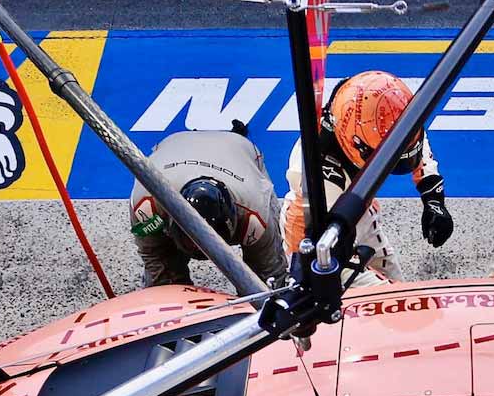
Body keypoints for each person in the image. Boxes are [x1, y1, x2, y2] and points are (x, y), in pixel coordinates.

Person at [281, 71, 453, 280]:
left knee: (399, 286)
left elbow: (408, 134)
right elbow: (317, 253)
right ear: (356, 145)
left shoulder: (371, 113)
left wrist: (433, 198)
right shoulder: (319, 182)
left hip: (360, 208)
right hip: (319, 239)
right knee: (385, 300)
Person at [130, 122, 288, 291]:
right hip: (175, 146)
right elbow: (153, 254)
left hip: (239, 150)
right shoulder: (148, 200)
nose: (202, 249)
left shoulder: (255, 214)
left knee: (265, 280)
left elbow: (270, 272)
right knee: (162, 275)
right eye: (192, 242)